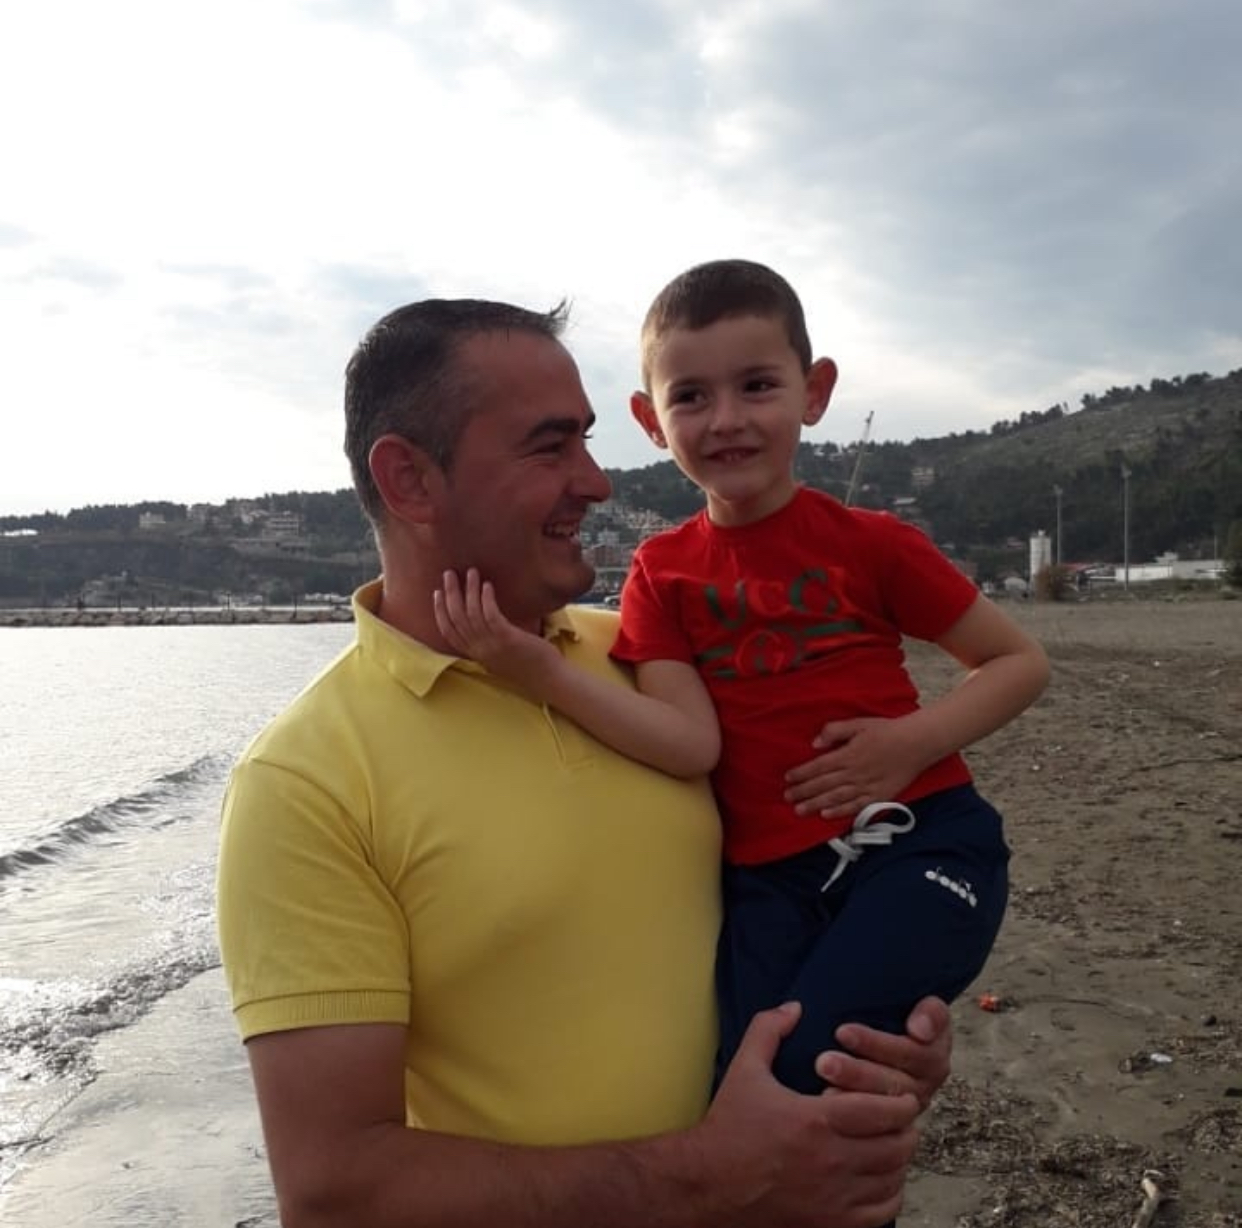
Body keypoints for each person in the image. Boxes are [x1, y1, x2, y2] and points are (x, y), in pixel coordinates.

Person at [217, 296, 954, 1228]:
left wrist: (875, 1025)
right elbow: (334, 1192)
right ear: (410, 480)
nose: (598, 483)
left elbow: (817, 872)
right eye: (549, 447)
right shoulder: (305, 783)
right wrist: (709, 1175)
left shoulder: (659, 662)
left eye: (589, 440)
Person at [432, 261, 1050, 1112]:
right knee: (738, 1086)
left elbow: (1018, 663)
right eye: (690, 397)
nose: (725, 420)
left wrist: (913, 742)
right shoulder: (662, 572)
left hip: (920, 843)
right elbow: (689, 743)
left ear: (813, 392)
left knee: (801, 1073)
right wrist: (537, 670)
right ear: (651, 421)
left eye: (757, 385)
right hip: (769, 886)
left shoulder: (872, 544)